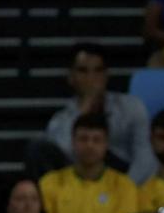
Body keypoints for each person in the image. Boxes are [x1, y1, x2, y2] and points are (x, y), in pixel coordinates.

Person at [41, 44, 154, 184]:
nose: (91, 78)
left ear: (107, 75)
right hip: (79, 184)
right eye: (83, 71)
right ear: (71, 77)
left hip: (124, 179)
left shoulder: (132, 107)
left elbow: (145, 156)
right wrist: (83, 110)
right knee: (38, 149)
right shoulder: (60, 120)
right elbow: (63, 154)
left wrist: (125, 189)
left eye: (98, 70)